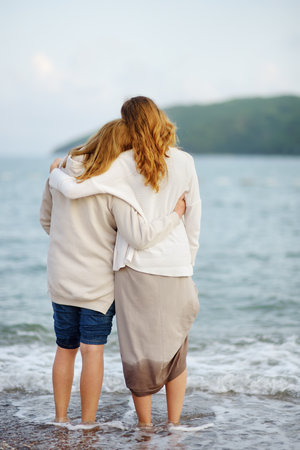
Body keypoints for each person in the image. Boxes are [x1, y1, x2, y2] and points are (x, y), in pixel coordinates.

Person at [49, 96, 201, 427]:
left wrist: (56, 173)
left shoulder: (91, 168)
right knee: (112, 351)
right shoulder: (175, 164)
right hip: (134, 275)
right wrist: (185, 255)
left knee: (86, 350)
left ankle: (70, 421)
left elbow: (54, 215)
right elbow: (184, 220)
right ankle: (104, 423)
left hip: (89, 274)